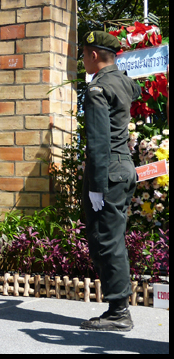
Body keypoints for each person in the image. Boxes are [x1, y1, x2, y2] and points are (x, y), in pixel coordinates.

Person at [80, 31, 142, 331]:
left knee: (106, 239)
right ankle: (118, 306)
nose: (82, 59)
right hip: (124, 167)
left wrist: (96, 185)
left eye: (84, 53)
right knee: (112, 237)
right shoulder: (123, 82)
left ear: (94, 55)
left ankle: (118, 312)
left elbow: (98, 141)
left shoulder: (98, 90)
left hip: (108, 171)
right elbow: (137, 89)